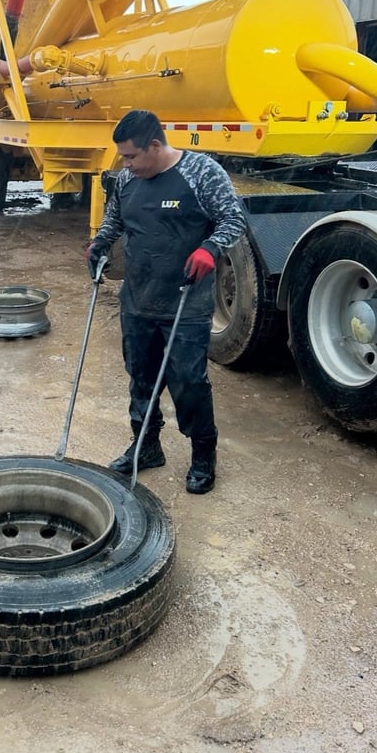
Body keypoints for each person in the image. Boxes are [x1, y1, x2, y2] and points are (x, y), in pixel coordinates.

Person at [85, 109, 246, 494]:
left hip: (186, 303)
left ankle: (203, 456)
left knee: (189, 383)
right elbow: (115, 220)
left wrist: (210, 248)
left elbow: (233, 220)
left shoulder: (202, 173)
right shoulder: (127, 180)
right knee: (141, 379)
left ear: (155, 146)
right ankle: (147, 446)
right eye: (123, 157)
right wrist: (100, 242)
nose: (126, 164)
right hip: (138, 300)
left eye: (131, 156)